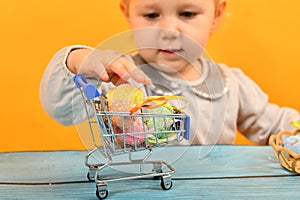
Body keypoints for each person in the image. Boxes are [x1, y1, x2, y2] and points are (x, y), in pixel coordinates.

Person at [40, 0, 299, 145]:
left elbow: (276, 125)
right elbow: (61, 108)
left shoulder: (230, 83)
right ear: (127, 12)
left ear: (217, 14)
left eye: (187, 14)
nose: (169, 29)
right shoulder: (119, 79)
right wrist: (78, 60)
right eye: (151, 15)